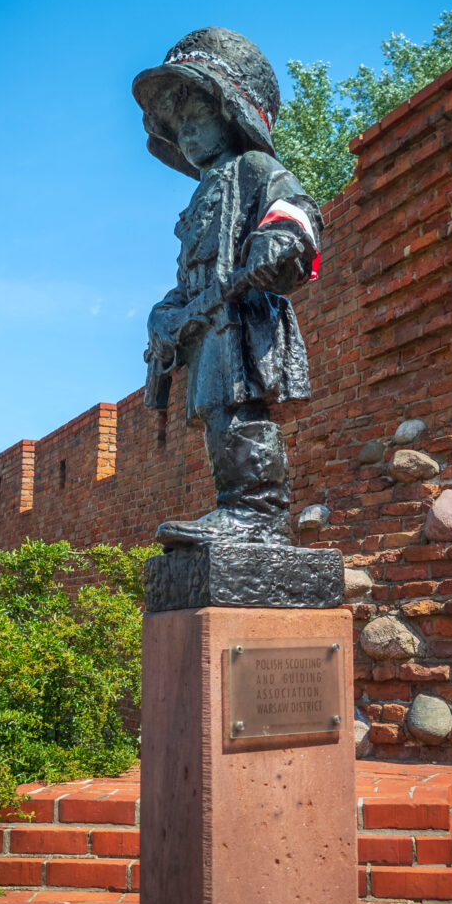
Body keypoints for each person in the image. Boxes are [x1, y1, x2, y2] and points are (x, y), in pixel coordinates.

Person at [133, 27, 321, 548]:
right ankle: (233, 509)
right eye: (179, 129)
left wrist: (275, 240)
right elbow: (186, 277)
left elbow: (297, 213)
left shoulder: (254, 168)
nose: (187, 136)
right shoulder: (198, 199)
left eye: (197, 121)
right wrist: (164, 315)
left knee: (242, 412)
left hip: (240, 314)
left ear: (230, 117)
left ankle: (257, 513)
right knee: (218, 416)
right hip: (205, 322)